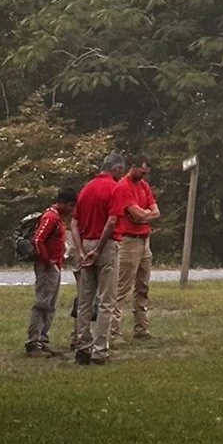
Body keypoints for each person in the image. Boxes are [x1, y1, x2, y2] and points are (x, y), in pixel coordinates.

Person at [73, 151, 125, 365]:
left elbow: (74, 223)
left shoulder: (85, 189)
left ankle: (82, 348)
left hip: (85, 243)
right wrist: (99, 248)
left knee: (85, 300)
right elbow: (112, 221)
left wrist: (81, 250)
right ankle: (100, 350)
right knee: (106, 300)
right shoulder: (115, 188)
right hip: (105, 245)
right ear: (116, 169)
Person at [105, 152, 159, 350]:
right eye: (141, 171)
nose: (143, 175)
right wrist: (143, 214)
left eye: (146, 172)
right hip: (129, 241)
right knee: (121, 287)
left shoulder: (144, 186)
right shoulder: (124, 186)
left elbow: (155, 211)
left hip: (145, 240)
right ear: (133, 167)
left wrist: (144, 215)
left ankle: (141, 328)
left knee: (143, 286)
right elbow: (135, 213)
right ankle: (114, 331)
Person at [25, 186, 76, 356]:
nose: (71, 210)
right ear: (61, 203)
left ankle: (43, 338)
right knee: (42, 304)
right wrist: (47, 261)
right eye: (70, 206)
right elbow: (38, 239)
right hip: (47, 267)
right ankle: (34, 342)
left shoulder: (59, 219)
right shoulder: (51, 217)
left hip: (56, 265)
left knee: (50, 305)